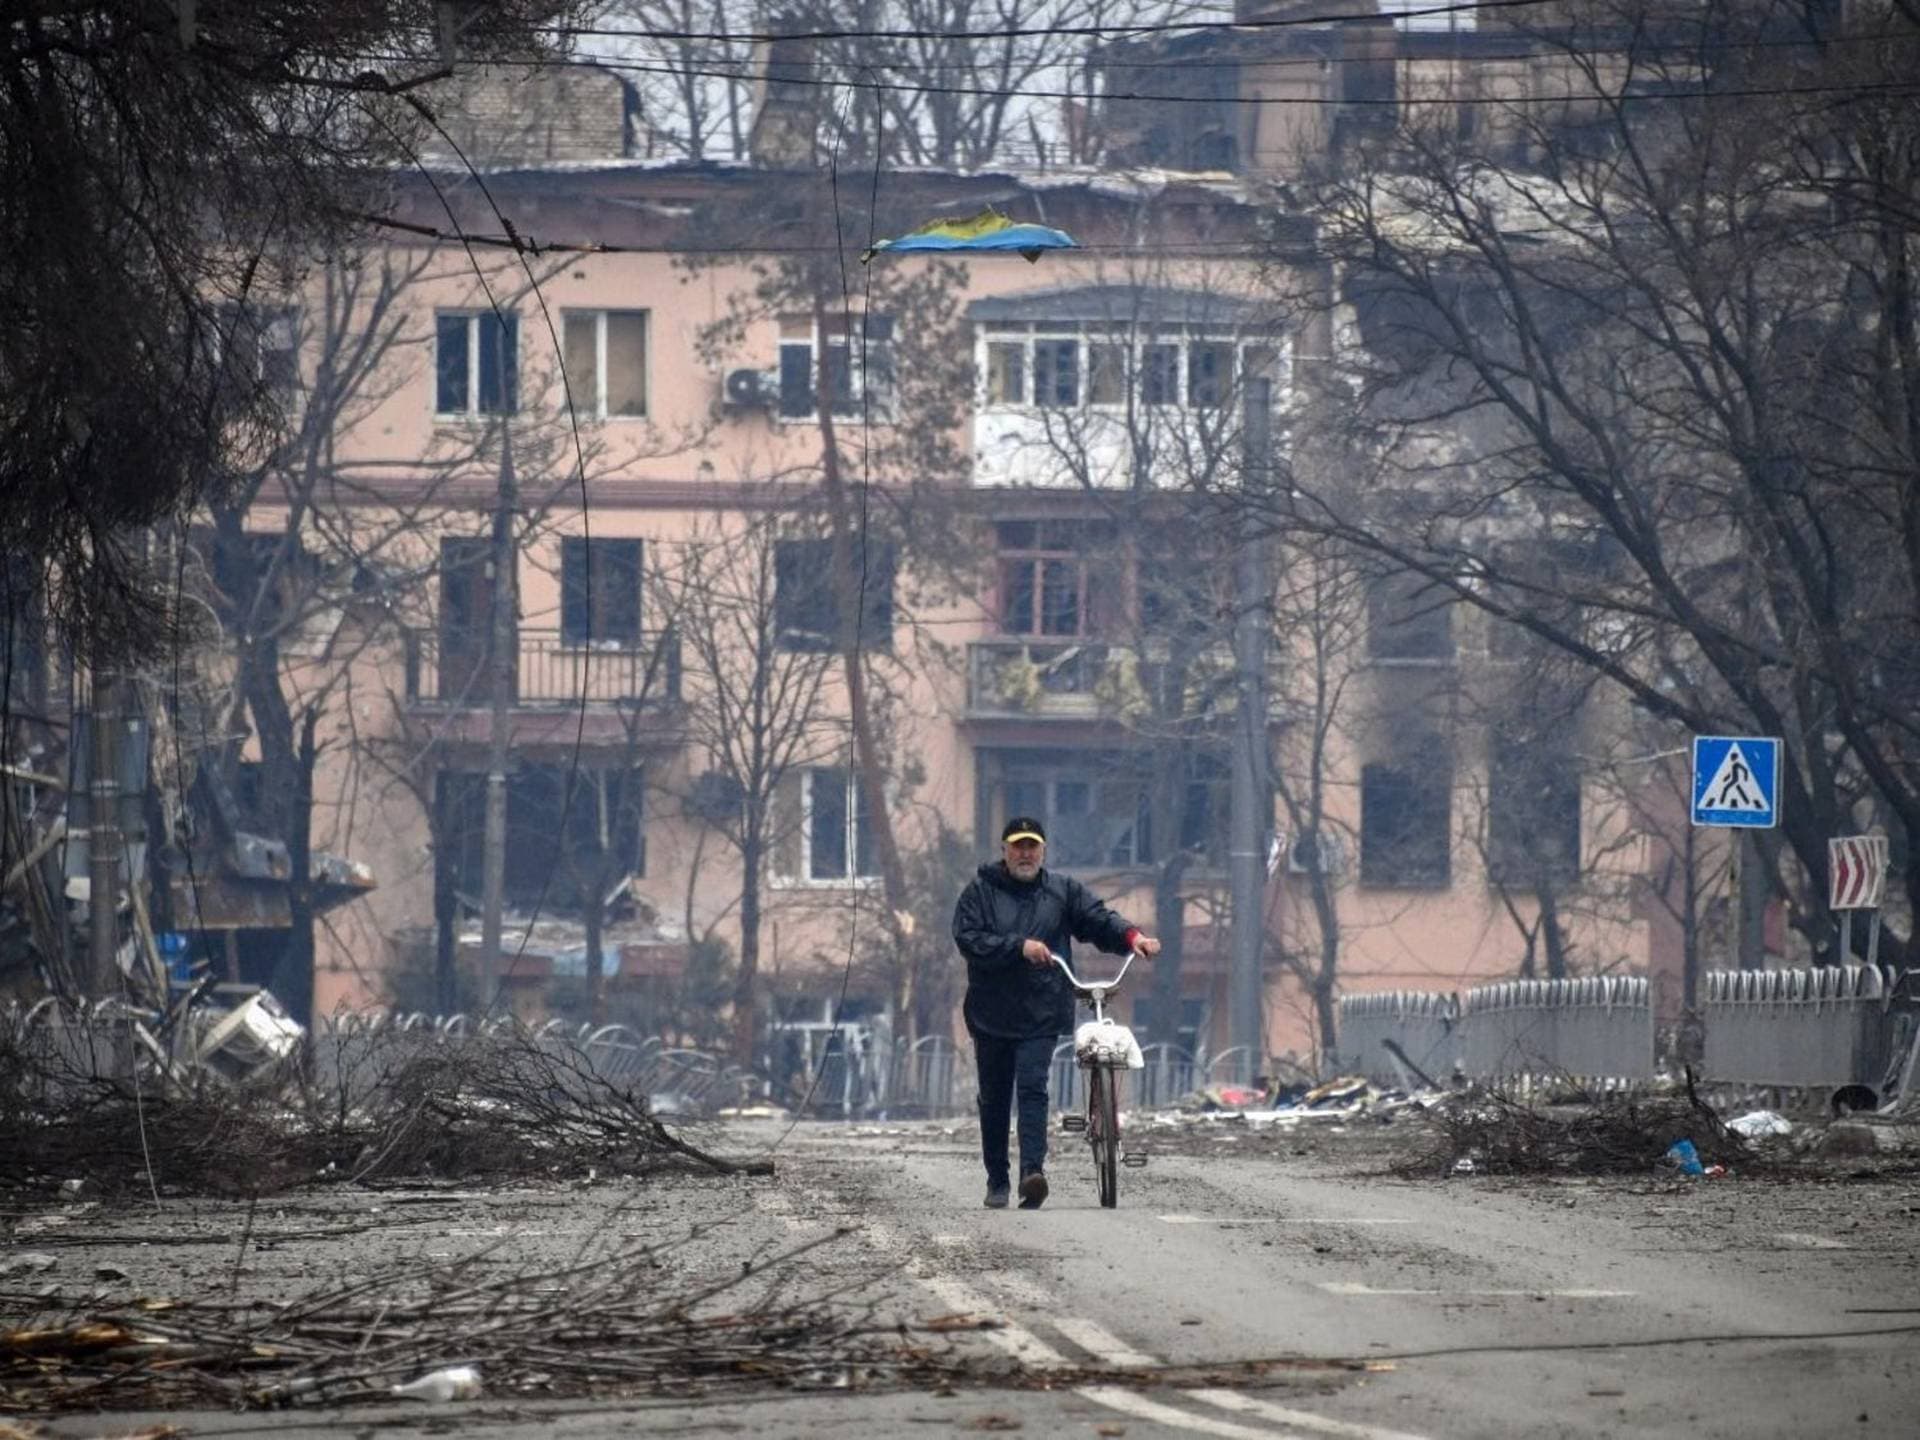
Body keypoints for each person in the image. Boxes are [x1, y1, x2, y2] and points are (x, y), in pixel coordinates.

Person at [951, 816, 1161, 1210]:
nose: (1025, 854)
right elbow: (969, 939)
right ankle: (997, 1179)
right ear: (1004, 850)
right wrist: (1019, 948)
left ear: (1043, 851)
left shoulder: (1062, 891)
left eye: (1032, 846)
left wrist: (1133, 937)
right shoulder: (980, 892)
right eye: (1018, 846)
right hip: (991, 1012)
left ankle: (1033, 1173)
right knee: (994, 1098)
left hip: (1042, 1009)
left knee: (1033, 1087)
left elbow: (1098, 920)